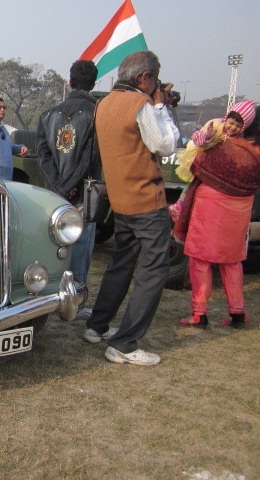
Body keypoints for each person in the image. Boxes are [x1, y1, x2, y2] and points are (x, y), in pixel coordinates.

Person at [84, 51, 179, 366]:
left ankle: (97, 326)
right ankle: (124, 343)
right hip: (146, 200)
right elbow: (165, 145)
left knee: (121, 263)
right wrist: (162, 106)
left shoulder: (105, 103)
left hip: (121, 198)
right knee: (153, 270)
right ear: (145, 78)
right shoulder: (142, 105)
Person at [173, 103, 260, 329]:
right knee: (232, 261)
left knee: (200, 259)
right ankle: (237, 313)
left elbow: (197, 165)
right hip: (239, 211)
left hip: (209, 204)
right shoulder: (253, 154)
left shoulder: (218, 146)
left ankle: (199, 314)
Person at [36, 60, 101, 320]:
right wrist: (71, 187)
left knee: (54, 244)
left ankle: (51, 295)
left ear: (70, 82)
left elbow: (43, 156)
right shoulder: (97, 114)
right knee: (81, 246)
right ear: (93, 84)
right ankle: (76, 301)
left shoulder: (48, 115)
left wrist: (58, 187)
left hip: (56, 193)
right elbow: (90, 157)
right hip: (84, 192)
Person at [168, 100, 256, 222]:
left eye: (238, 126)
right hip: (202, 164)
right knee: (191, 187)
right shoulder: (215, 126)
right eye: (231, 123)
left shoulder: (239, 140)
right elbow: (197, 140)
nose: (233, 127)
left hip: (217, 172)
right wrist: (207, 136)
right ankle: (179, 208)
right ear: (226, 118)